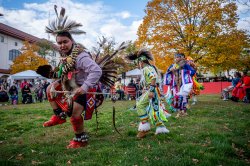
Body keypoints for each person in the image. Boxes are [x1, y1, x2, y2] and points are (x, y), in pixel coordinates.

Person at [42, 6, 102, 149]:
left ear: (71, 41)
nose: (62, 45)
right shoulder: (65, 55)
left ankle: (80, 139)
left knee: (75, 113)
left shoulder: (81, 56)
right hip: (71, 84)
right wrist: (56, 79)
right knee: (49, 89)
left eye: (65, 42)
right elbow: (65, 72)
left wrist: (84, 87)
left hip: (86, 87)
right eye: (59, 43)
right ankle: (59, 116)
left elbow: (97, 71)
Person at [126, 49, 169, 138]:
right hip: (153, 89)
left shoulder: (146, 68)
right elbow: (152, 79)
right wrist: (146, 89)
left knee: (140, 105)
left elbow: (153, 78)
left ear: (141, 61)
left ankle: (145, 127)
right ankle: (161, 129)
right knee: (154, 109)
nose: (139, 65)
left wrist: (151, 91)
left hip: (153, 90)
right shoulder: (150, 67)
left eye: (138, 63)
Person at [164, 53, 195, 118]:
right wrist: (171, 71)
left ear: (181, 58)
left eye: (177, 57)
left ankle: (184, 111)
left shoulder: (185, 65)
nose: (176, 59)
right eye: (175, 57)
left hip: (183, 84)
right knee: (176, 97)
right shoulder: (172, 65)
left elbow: (192, 72)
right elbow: (167, 73)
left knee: (184, 98)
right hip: (175, 84)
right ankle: (179, 111)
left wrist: (184, 72)